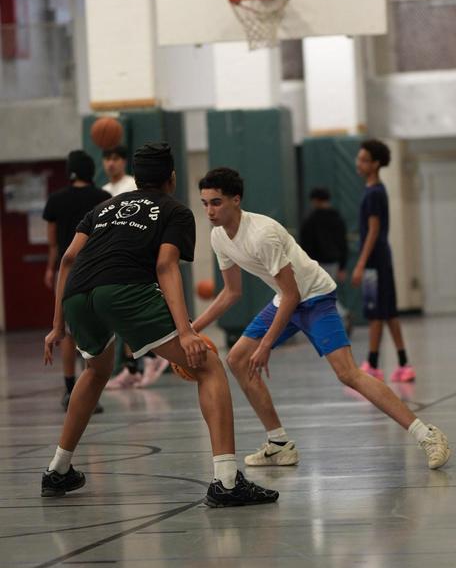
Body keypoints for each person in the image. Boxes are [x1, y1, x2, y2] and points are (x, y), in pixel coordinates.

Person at [41, 142, 279, 508]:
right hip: (123, 291)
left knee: (96, 369)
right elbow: (166, 266)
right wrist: (185, 331)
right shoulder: (175, 211)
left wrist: (58, 325)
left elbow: (69, 258)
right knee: (209, 366)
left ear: (136, 178)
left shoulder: (102, 208)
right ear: (171, 178)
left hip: (77, 295)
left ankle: (58, 470)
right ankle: (227, 481)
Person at [194, 167, 451, 471]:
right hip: (286, 299)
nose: (210, 210)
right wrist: (189, 329)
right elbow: (231, 292)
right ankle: (279, 445)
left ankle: (428, 435)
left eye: (216, 202)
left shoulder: (261, 234)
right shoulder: (218, 237)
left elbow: (293, 295)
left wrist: (265, 345)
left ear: (236, 200)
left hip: (314, 297)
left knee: (348, 374)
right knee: (237, 360)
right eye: (205, 203)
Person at [43, 150, 111, 411]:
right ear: (92, 170)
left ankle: (71, 389)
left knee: (68, 333)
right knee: (95, 332)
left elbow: (52, 243)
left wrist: (51, 269)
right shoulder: (103, 198)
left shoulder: (56, 199)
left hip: (68, 270)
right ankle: (91, 390)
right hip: (98, 270)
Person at [101, 145, 169, 389]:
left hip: (139, 255)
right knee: (120, 314)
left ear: (123, 162)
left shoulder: (132, 185)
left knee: (135, 310)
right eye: (107, 158)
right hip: (114, 257)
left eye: (116, 158)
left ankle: (152, 357)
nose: (111, 163)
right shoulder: (104, 191)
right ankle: (132, 367)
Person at [351, 139, 415, 383]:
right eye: (359, 158)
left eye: (364, 160)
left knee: (378, 313)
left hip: (376, 261)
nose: (359, 163)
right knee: (386, 313)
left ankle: (374, 365)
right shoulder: (372, 191)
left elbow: (374, 231)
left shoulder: (375, 193)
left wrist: (360, 263)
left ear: (376, 164)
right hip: (378, 260)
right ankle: (401, 364)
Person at [299, 186, 349, 322]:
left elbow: (306, 244)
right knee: (326, 291)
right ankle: (339, 316)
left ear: (314, 201)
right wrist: (343, 266)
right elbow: (343, 243)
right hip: (334, 261)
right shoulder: (337, 218)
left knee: (321, 293)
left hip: (317, 263)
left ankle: (341, 315)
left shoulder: (310, 220)